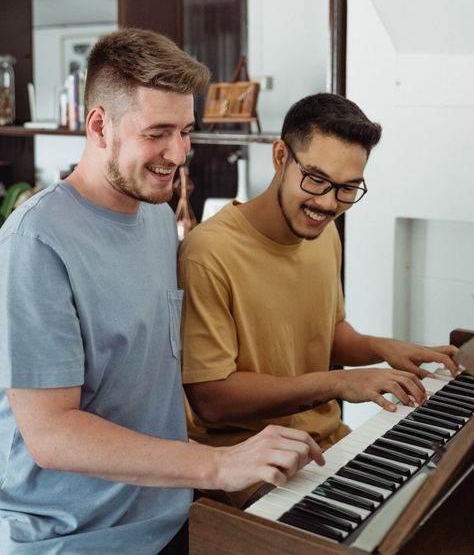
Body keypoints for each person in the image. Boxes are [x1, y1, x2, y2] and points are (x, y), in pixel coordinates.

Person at [0, 29, 324, 555]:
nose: (178, 153)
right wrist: (217, 464)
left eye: (186, 131)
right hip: (72, 538)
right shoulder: (35, 241)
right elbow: (52, 435)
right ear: (99, 126)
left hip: (168, 511)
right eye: (158, 133)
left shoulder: (155, 217)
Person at [178, 92, 458, 508]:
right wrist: (340, 382)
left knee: (432, 507)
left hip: (324, 444)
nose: (328, 203)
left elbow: (325, 331)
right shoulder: (207, 253)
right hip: (247, 461)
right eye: (316, 179)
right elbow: (212, 400)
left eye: (347, 189)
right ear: (280, 157)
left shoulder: (322, 233)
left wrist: (384, 348)